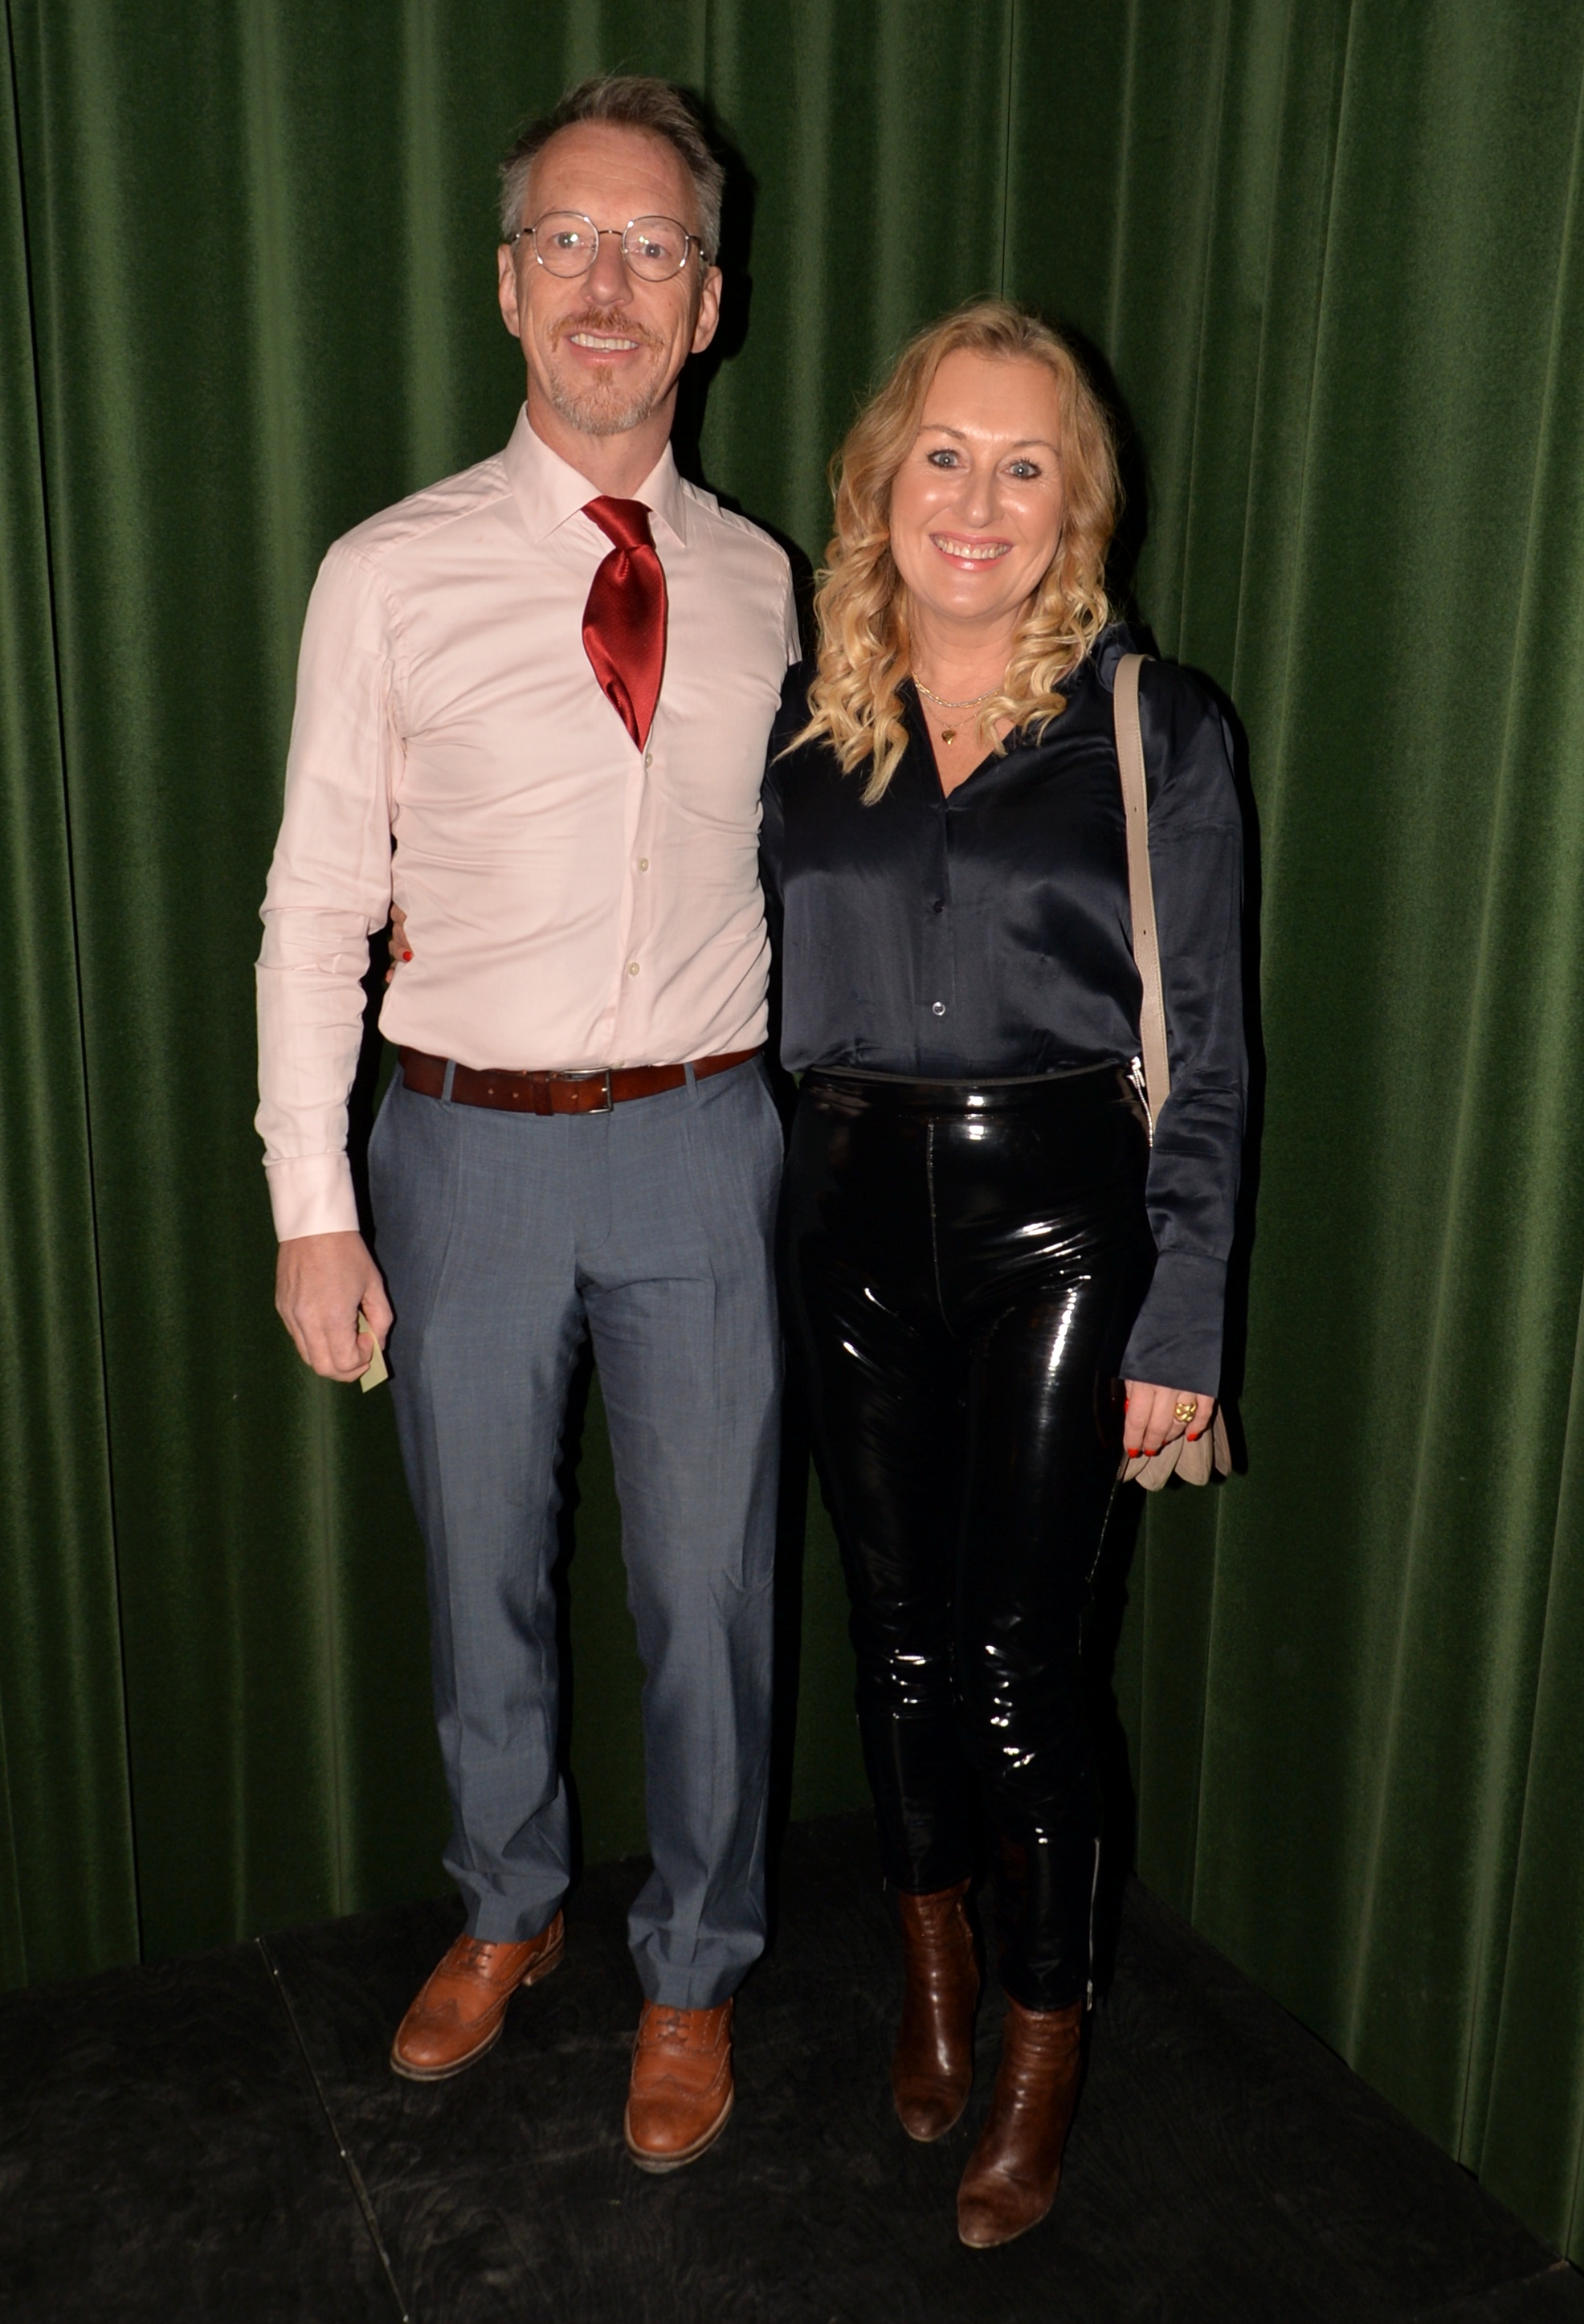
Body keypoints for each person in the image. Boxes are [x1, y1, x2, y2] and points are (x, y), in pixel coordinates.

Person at [256, 75, 798, 2172]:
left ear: (708, 303)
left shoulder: (767, 584)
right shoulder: (384, 574)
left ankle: (695, 1960)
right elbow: (318, 898)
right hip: (459, 1150)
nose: (606, 285)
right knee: (478, 1566)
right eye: (566, 239)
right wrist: (313, 1201)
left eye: (651, 246)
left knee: (709, 1594)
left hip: (703, 1142)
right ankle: (507, 1901)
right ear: (504, 284)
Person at [762, 301, 1245, 2247]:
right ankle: (934, 1972)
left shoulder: (1150, 723)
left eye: (1022, 464)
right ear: (882, 480)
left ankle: (1042, 2039)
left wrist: (1184, 1308)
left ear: (1074, 504)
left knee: (1019, 1660)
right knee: (891, 1631)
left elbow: (1209, 1047)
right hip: (843, 1216)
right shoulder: (800, 718)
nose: (976, 499)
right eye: (944, 455)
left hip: (1063, 1225)